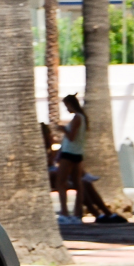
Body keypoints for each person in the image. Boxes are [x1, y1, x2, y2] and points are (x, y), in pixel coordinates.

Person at [57, 94, 87, 222]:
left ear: (70, 104)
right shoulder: (83, 117)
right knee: (77, 183)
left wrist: (63, 129)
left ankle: (64, 212)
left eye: (66, 106)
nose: (66, 109)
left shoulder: (77, 118)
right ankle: (77, 213)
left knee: (60, 182)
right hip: (78, 153)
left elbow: (71, 137)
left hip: (69, 153)